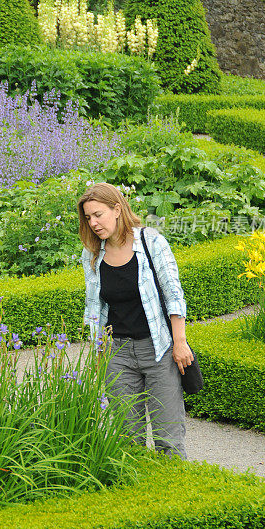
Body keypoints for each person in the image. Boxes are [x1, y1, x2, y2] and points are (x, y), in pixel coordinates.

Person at [78, 182, 193, 459]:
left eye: (98, 214)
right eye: (88, 217)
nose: (93, 222)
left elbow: (173, 294)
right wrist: (99, 353)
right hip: (117, 353)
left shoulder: (151, 241)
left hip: (158, 349)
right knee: (127, 440)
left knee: (168, 438)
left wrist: (180, 342)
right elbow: (94, 307)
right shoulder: (92, 254)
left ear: (117, 209)